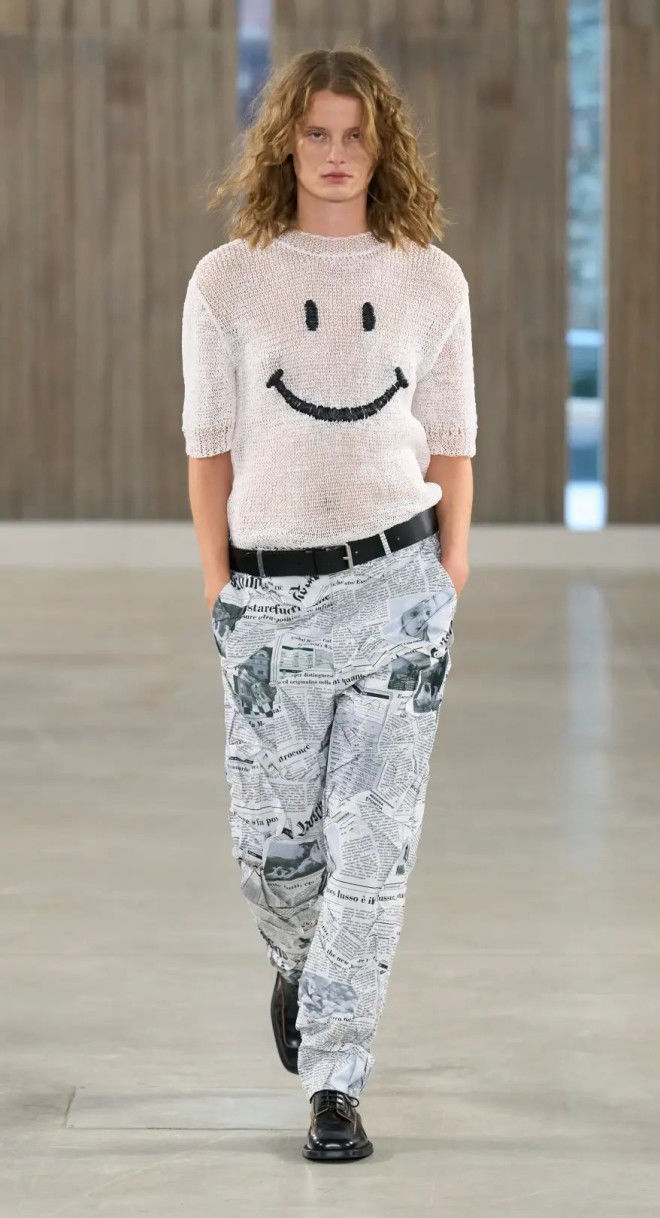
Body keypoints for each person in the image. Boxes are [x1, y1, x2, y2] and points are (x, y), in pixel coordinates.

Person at [181, 44, 477, 1162]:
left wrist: (450, 572)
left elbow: (452, 438)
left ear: (384, 146)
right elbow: (209, 447)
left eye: (357, 134)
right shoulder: (228, 280)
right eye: (317, 133)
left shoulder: (430, 279)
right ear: (287, 144)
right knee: (273, 849)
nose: (338, 153)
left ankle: (336, 1083)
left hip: (398, 595)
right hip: (269, 601)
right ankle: (298, 964)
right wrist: (218, 588)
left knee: (373, 850)